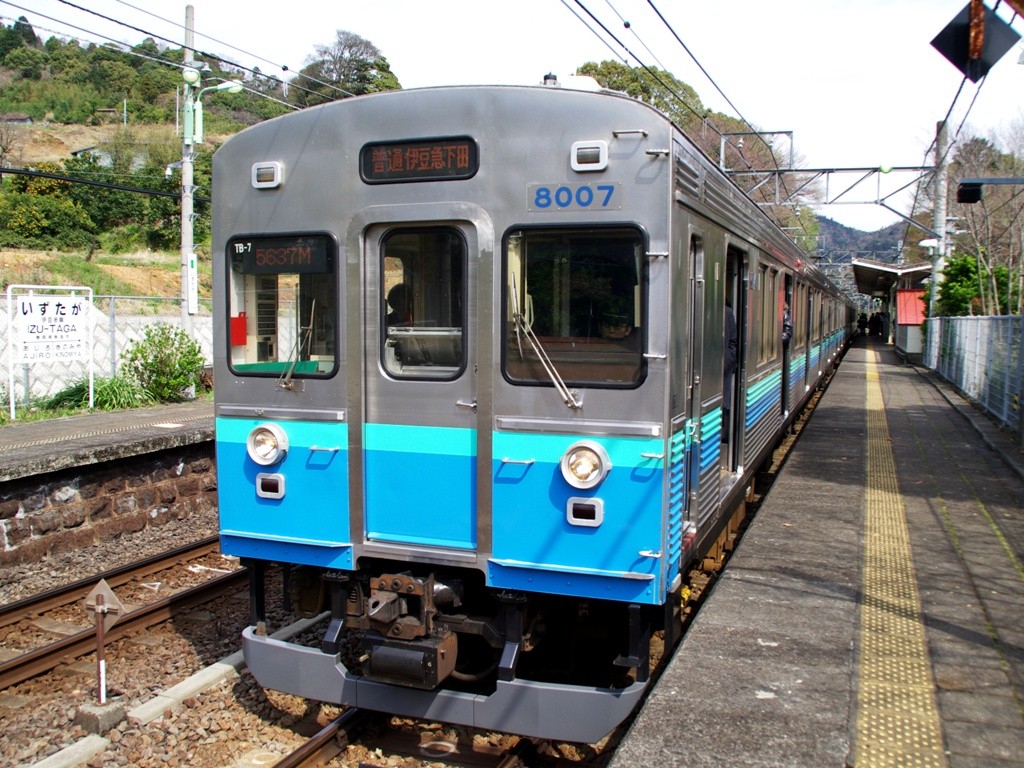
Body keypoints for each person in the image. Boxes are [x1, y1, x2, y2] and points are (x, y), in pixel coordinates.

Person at [723, 300, 737, 441]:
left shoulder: (727, 312)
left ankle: (723, 436)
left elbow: (733, 341)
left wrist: (729, 360)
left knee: (724, 404)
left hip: (723, 367)